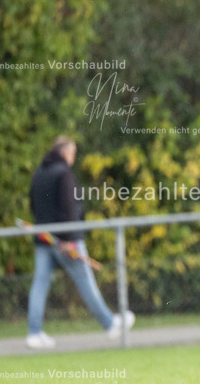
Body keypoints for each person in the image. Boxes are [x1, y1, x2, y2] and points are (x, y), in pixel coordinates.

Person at [26, 136, 134, 349]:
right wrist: (68, 240)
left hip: (43, 239)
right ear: (65, 153)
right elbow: (69, 208)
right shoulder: (64, 174)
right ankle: (110, 323)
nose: (73, 158)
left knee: (39, 284)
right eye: (73, 153)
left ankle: (34, 333)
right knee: (85, 280)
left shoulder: (39, 174)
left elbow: (33, 205)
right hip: (67, 240)